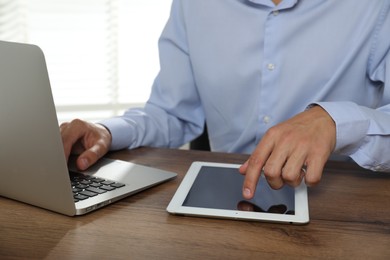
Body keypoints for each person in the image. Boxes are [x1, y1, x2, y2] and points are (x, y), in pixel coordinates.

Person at [61, 0, 390, 200]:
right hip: (224, 199)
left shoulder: (375, 8)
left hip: (336, 207)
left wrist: (336, 122)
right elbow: (172, 112)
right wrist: (107, 130)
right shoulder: (193, 5)